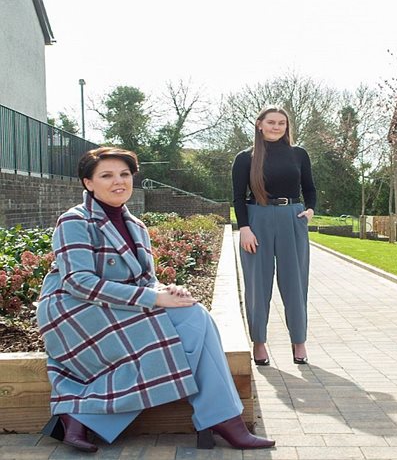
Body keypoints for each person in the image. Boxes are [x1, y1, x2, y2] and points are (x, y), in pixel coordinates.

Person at [36, 147, 275, 452]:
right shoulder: (75, 220)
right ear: (88, 183)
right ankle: (222, 419)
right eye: (106, 176)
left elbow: (146, 280)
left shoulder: (137, 226)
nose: (118, 181)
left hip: (118, 307)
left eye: (124, 174)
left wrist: (168, 290)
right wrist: (153, 298)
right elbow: (77, 282)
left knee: (194, 314)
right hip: (75, 313)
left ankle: (79, 414)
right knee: (193, 322)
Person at [232, 106, 316, 366]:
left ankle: (298, 342)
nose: (276, 127)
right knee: (258, 284)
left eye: (281, 123)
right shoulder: (246, 158)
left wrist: (309, 211)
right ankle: (259, 342)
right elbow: (237, 197)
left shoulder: (298, 154)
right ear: (260, 125)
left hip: (292, 217)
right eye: (271, 122)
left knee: (295, 283)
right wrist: (244, 228)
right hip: (258, 220)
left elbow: (309, 188)